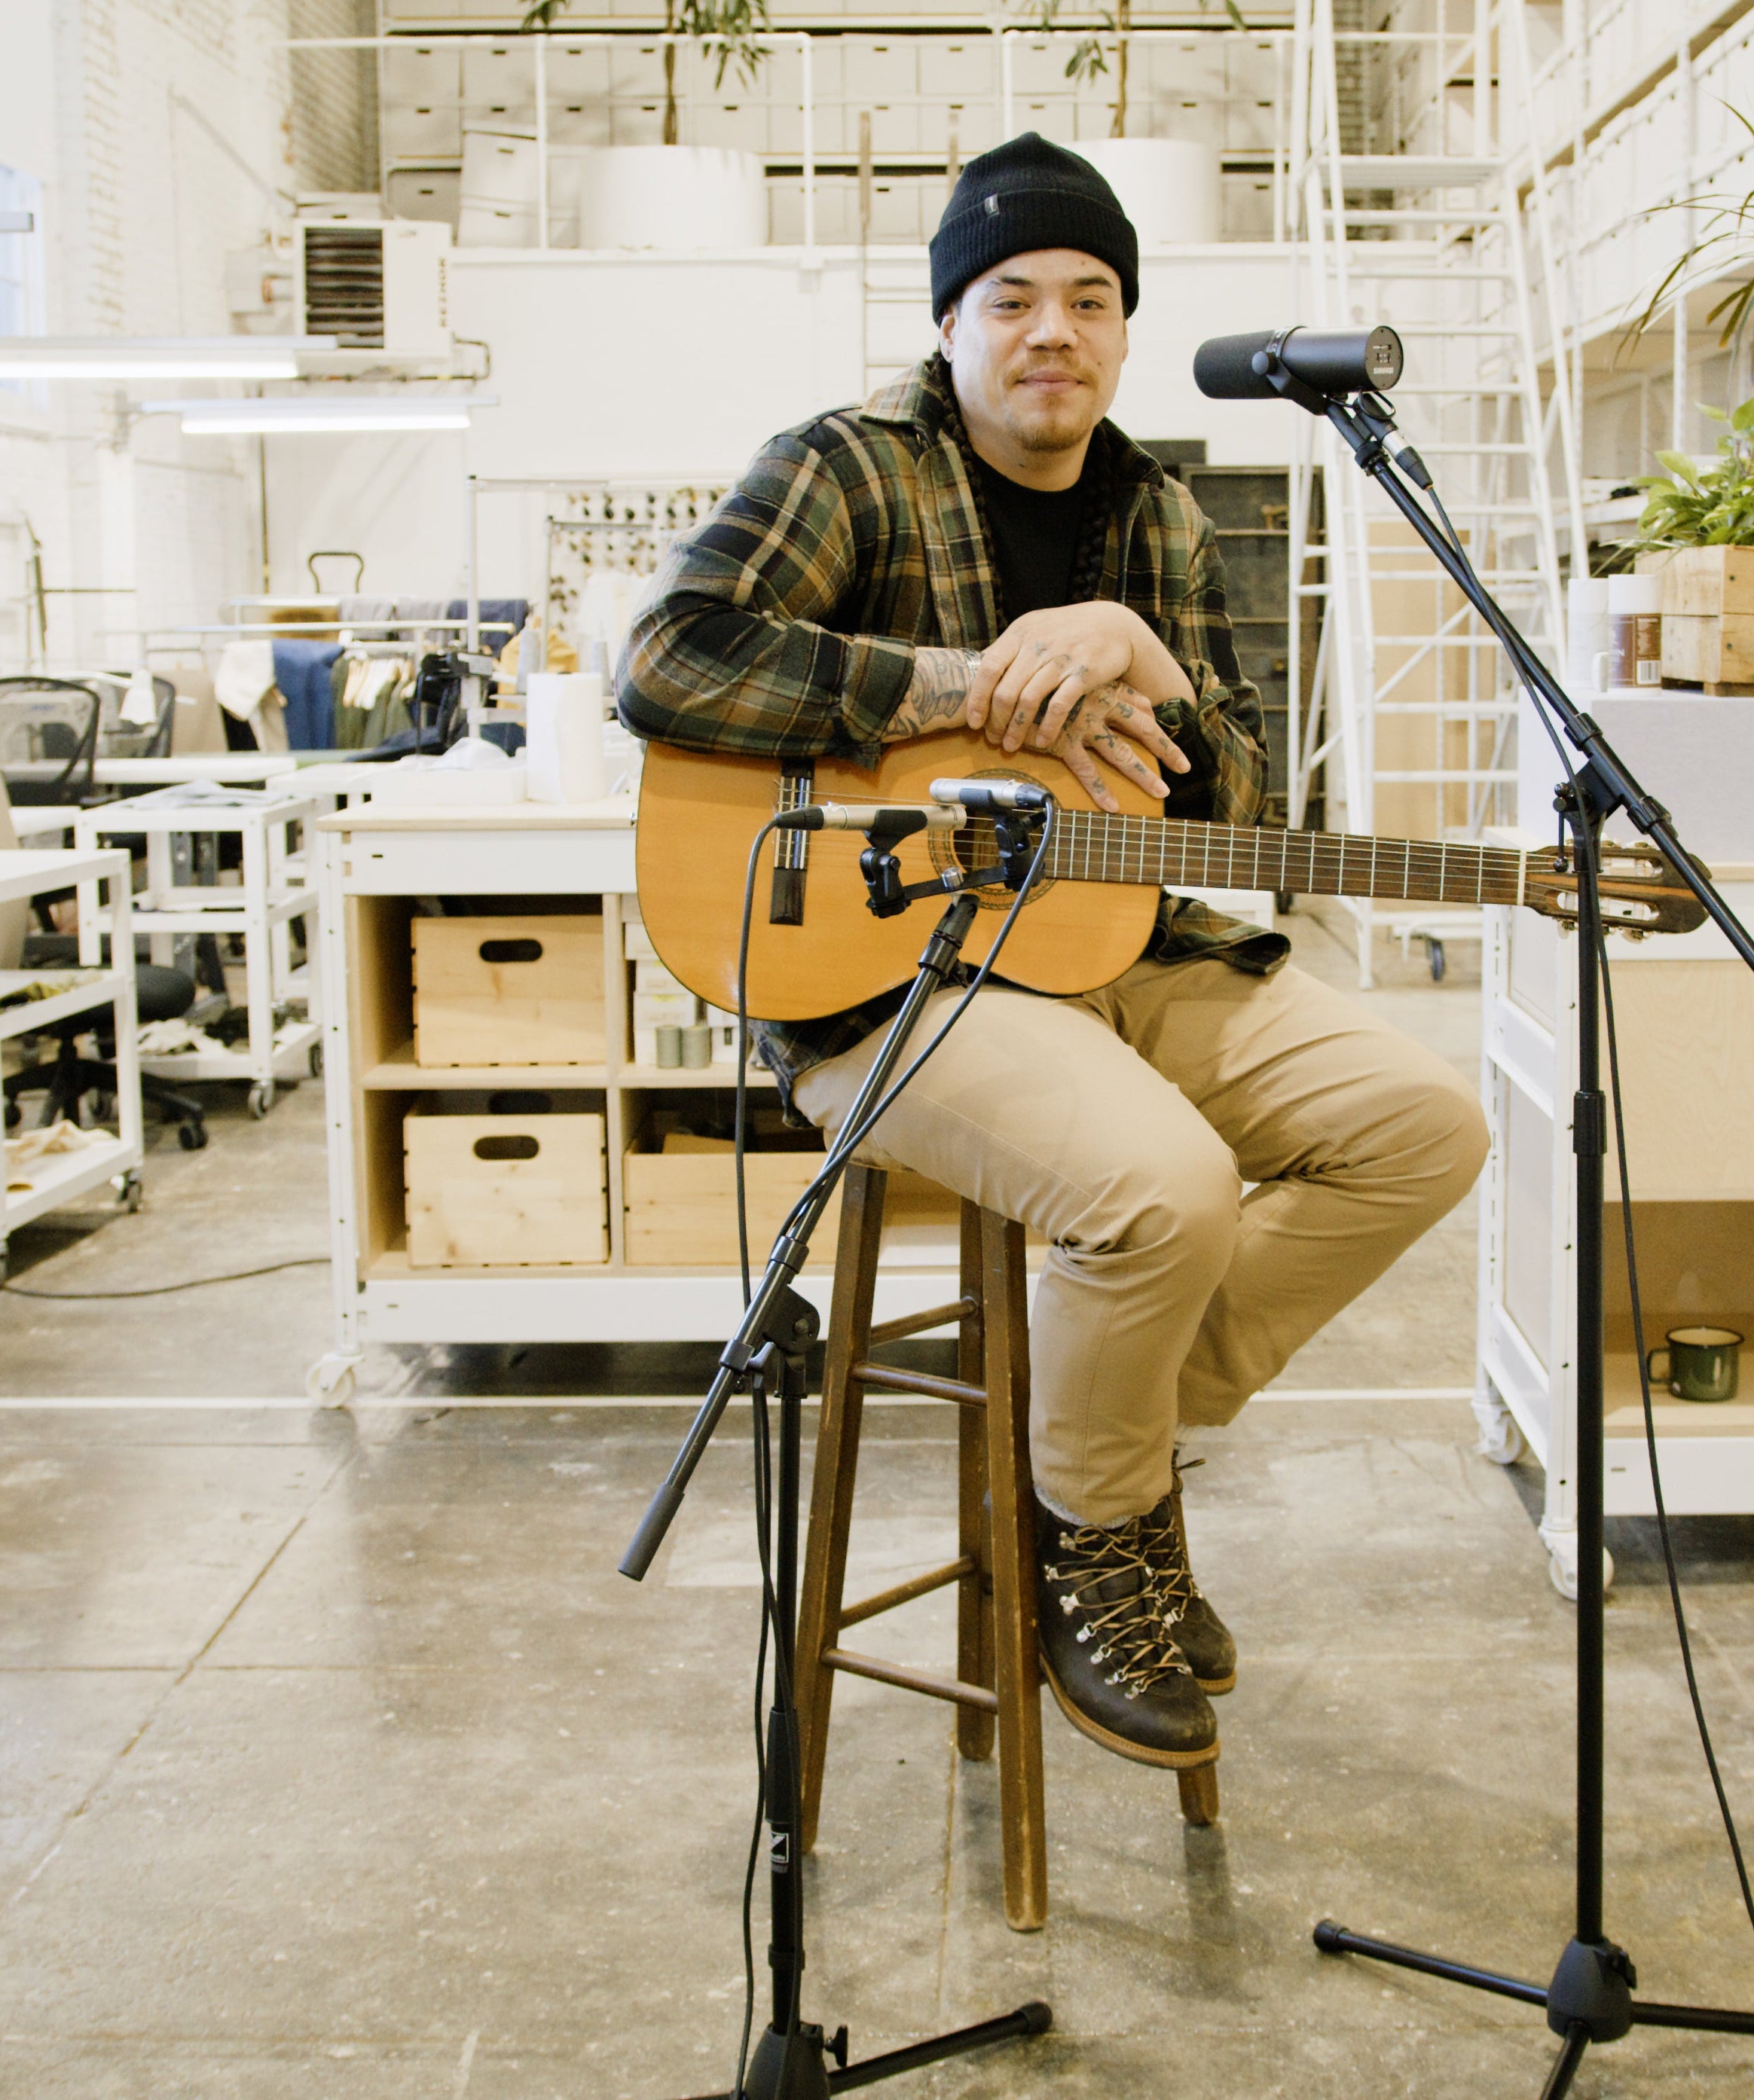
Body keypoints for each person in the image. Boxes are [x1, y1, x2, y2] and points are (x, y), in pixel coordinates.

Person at [616, 134, 1486, 1772]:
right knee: (1167, 1189)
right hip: (888, 977)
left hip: (1124, 940)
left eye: (1092, 299)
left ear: (1128, 332)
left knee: (1425, 1127)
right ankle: (1101, 1536)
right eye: (1011, 296)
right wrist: (958, 691)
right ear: (952, 321)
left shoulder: (1157, 512)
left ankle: (1101, 1455)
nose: (1052, 331)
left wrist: (1148, 655)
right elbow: (669, 660)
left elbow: (1233, 797)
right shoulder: (851, 466)